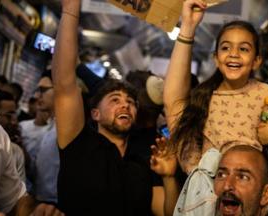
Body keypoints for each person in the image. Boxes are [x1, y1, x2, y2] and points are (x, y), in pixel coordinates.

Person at [52, 0, 178, 215]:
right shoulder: (78, 144)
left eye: (130, 102)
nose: (125, 105)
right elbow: (64, 82)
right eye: (114, 100)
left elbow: (168, 213)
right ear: (95, 114)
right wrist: (71, 10)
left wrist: (168, 178)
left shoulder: (144, 163)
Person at [164, 0, 268, 175]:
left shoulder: (265, 93)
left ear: (256, 61)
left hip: (255, 184)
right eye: (226, 48)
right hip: (213, 188)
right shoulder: (202, 97)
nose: (233, 54)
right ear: (216, 58)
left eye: (243, 49)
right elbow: (190, 150)